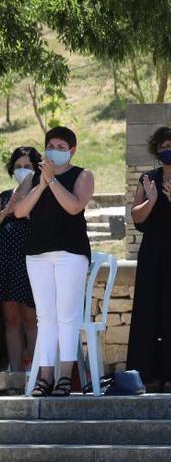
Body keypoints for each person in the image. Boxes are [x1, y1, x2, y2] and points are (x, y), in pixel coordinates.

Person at [14, 127, 94, 396]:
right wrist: (42, 183)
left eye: (61, 147)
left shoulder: (82, 175)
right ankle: (44, 376)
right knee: (45, 317)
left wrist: (54, 182)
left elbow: (73, 206)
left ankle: (63, 377)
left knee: (67, 316)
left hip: (70, 253)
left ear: (71, 150)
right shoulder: (36, 178)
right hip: (37, 254)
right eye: (51, 146)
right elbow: (20, 210)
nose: (55, 151)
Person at [127, 127, 171, 390]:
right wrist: (153, 200)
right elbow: (136, 217)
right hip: (152, 255)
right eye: (162, 146)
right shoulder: (148, 179)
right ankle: (146, 375)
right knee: (147, 313)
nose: (167, 150)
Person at [0, 147, 39, 372]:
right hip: (6, 265)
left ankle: (34, 376)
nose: (22, 170)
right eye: (18, 166)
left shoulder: (40, 195)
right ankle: (15, 374)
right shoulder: (5, 196)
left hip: (30, 265)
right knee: (11, 321)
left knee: (30, 321)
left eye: (27, 166)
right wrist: (7, 209)